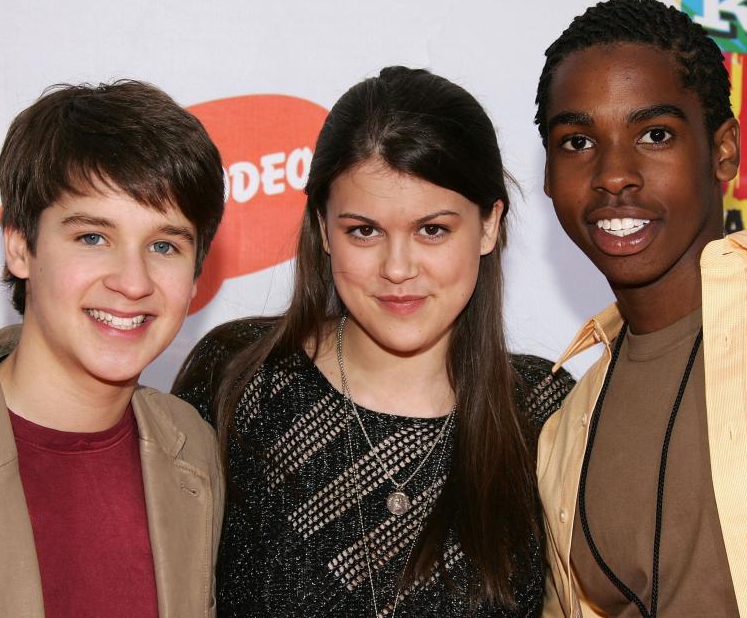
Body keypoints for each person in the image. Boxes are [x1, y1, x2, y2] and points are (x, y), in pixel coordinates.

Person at [173, 65, 575, 617]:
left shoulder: (546, 411)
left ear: (488, 226)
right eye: (364, 230)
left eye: (432, 229)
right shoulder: (240, 381)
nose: (397, 268)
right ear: (322, 228)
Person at [533, 0, 747, 618]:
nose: (614, 174)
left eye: (654, 134)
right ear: (550, 176)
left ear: (723, 151)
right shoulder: (565, 431)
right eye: (578, 141)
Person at [0, 80, 226, 618]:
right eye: (92, 237)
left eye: (163, 246)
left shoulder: (195, 449)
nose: (133, 281)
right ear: (20, 246)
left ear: (196, 274)